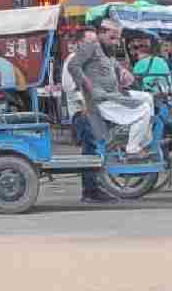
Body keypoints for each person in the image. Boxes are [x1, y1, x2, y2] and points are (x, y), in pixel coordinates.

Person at [67, 20, 154, 161]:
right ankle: (132, 148)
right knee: (143, 109)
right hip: (103, 99)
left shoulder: (106, 52)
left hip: (115, 95)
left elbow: (113, 66)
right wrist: (87, 83)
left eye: (118, 39)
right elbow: (73, 65)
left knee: (148, 98)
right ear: (101, 34)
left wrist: (123, 72)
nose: (116, 42)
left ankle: (144, 138)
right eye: (112, 38)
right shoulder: (91, 47)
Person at [62, 31, 115, 203]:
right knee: (90, 149)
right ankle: (90, 190)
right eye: (90, 41)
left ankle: (95, 186)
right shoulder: (72, 60)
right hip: (82, 112)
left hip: (95, 110)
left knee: (98, 148)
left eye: (95, 41)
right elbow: (69, 87)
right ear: (80, 43)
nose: (95, 44)